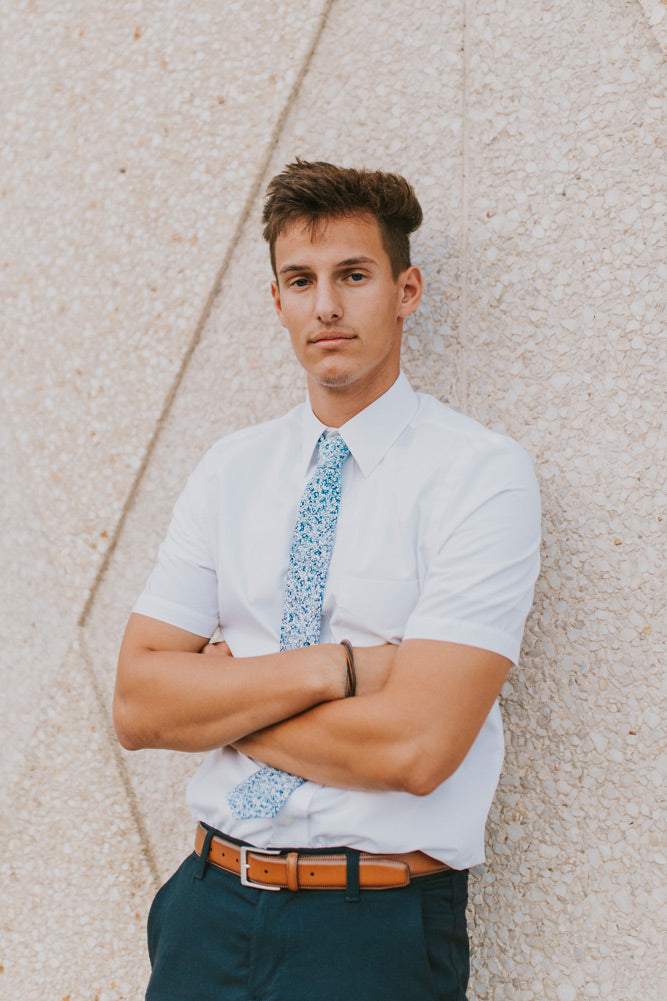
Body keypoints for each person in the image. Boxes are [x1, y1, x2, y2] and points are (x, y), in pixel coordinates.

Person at [114, 159, 541, 1001]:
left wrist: (223, 698)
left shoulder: (480, 476)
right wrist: (335, 669)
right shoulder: (229, 469)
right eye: (300, 280)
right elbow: (136, 705)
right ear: (276, 301)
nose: (326, 306)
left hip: (370, 930)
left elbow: (415, 749)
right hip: (206, 908)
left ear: (405, 289)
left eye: (353, 274)